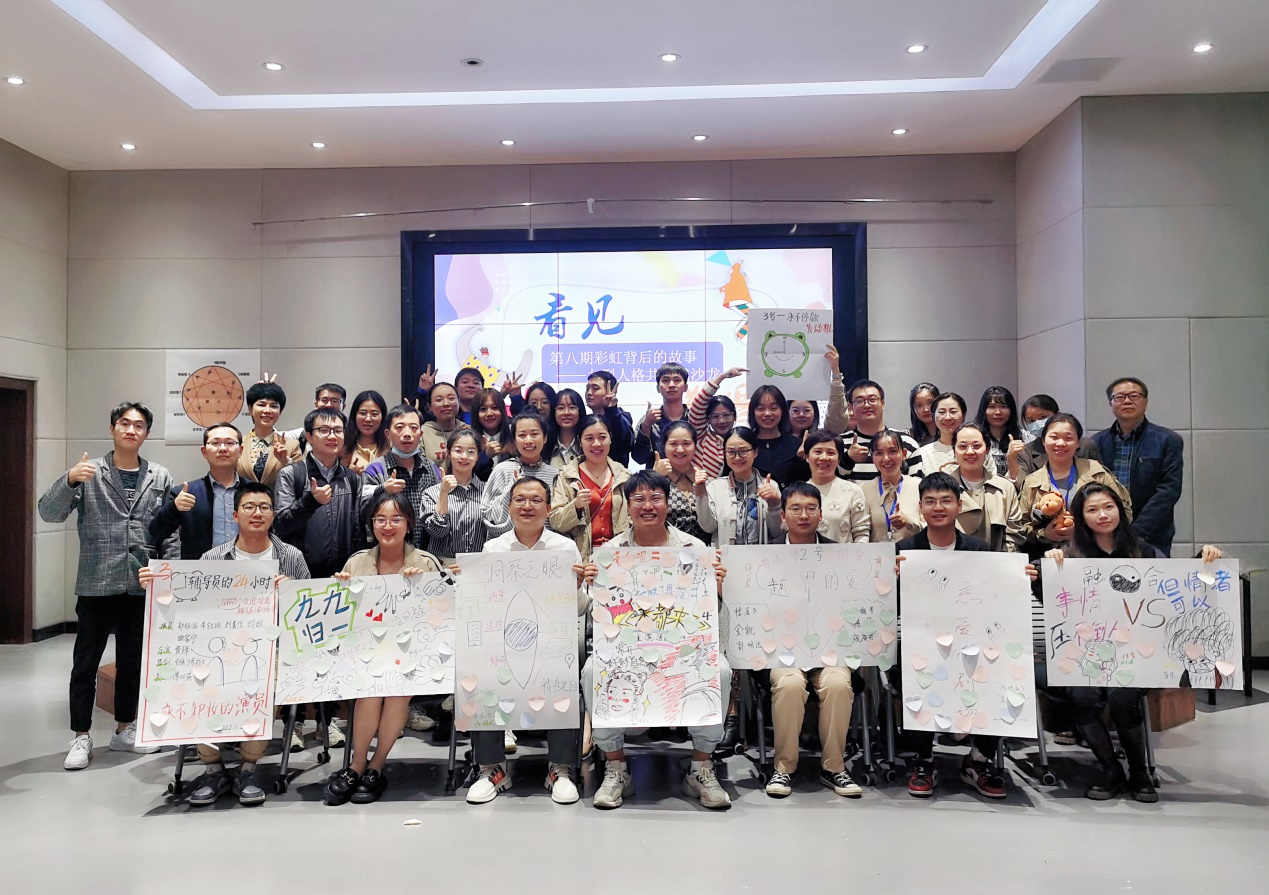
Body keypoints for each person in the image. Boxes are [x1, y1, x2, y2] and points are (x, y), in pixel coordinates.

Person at [1045, 482, 1225, 802]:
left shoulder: (1143, 550)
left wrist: (1204, 559)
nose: (1102, 515)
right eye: (1092, 510)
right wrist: (1045, 569)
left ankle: (1139, 773)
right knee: (1081, 696)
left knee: (1123, 696)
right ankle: (1111, 770)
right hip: (1088, 653)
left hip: (1138, 652)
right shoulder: (1070, 555)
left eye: (1108, 507)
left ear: (1120, 510)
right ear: (1081, 517)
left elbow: (1176, 586)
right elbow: (1051, 602)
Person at [140, 481, 310, 807]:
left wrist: (292, 593)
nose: (257, 513)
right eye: (249, 507)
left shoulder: (291, 557)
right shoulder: (214, 558)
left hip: (272, 648)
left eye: (264, 507)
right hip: (217, 645)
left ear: (274, 514)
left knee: (266, 676)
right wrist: (155, 584)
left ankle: (248, 767)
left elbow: (307, 616)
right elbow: (191, 603)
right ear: (235, 515)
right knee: (198, 676)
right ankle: (212, 768)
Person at [584, 470, 733, 810]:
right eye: (639, 499)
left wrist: (719, 584)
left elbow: (709, 612)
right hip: (626, 650)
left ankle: (700, 767)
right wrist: (591, 583)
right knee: (593, 671)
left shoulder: (694, 549)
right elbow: (600, 613)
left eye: (655, 498)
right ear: (628, 506)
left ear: (667, 503)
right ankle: (617, 768)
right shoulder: (610, 552)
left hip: (683, 650)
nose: (647, 506)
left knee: (720, 671)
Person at [39, 402, 174, 770]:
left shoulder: (159, 475)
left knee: (132, 663)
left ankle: (124, 729)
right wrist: (69, 479)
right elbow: (48, 512)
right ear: (112, 428)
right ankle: (81, 735)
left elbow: (167, 528)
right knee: (85, 663)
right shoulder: (90, 472)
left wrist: (166, 574)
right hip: (96, 580)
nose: (131, 430)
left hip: (140, 582)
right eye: (124, 423)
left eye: (139, 425)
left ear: (147, 433)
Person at [895, 472, 1038, 799]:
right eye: (930, 501)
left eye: (946, 500)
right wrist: (892, 581)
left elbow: (997, 600)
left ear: (959, 505)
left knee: (1003, 670)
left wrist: (1020, 579)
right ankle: (924, 759)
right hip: (922, 644)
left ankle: (979, 759)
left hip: (971, 643)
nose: (938, 507)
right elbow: (888, 608)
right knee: (910, 668)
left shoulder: (980, 550)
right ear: (920, 507)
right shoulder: (904, 551)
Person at [462, 477, 588, 805]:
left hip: (552, 641)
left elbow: (579, 609)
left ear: (548, 508)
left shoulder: (564, 548)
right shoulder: (493, 549)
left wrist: (576, 586)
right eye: (520, 500)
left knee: (561, 669)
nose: (527, 506)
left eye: (535, 500)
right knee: (481, 673)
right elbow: (484, 605)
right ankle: (492, 768)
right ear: (509, 506)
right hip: (502, 641)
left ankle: (559, 768)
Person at [322, 489, 446, 805]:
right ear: (371, 524)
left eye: (396, 519)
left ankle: (376, 765)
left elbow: (441, 616)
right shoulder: (357, 562)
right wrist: (340, 590)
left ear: (409, 524)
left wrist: (422, 587)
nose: (387, 526)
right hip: (366, 654)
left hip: (413, 656)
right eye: (380, 519)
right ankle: (356, 765)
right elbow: (341, 618)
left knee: (396, 689)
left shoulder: (426, 562)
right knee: (370, 687)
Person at [273, 406, 367, 749]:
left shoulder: (352, 479)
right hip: (299, 580)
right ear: (309, 436)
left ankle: (327, 722)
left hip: (338, 579)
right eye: (324, 430)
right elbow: (280, 524)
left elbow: (357, 529)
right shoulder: (292, 474)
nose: (332, 436)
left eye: (337, 430)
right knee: (297, 655)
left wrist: (355, 569)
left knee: (333, 654)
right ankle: (294, 724)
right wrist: (310, 502)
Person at [764, 482, 862, 798]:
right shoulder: (764, 556)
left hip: (830, 650)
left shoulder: (841, 556)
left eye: (810, 509)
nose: (803, 515)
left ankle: (834, 767)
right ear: (783, 515)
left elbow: (856, 604)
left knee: (838, 685)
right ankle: (783, 768)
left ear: (821, 514)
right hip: (782, 652)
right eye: (795, 508)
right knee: (790, 685)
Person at [1091, 377, 1184, 556]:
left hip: (1152, 535)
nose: (1127, 401)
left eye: (1134, 396)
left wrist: (1136, 532)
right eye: (1119, 397)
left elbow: (1169, 490)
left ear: (1146, 402)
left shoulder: (1168, 440)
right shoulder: (1096, 442)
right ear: (1110, 404)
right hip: (1104, 534)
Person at [1018, 414, 1131, 557]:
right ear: (1043, 441)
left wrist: (1083, 531)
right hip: (1048, 558)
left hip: (1093, 556)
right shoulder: (1031, 482)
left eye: (1068, 438)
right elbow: (1021, 526)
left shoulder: (1096, 472)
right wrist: (1045, 534)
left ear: (1078, 443)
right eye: (1054, 437)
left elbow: (1124, 512)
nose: (1061, 443)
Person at [148, 423, 244, 559]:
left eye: (229, 443)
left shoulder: (255, 492)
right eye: (215, 443)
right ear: (204, 452)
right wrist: (174, 507)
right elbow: (156, 533)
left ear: (240, 450)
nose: (223, 448)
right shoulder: (186, 493)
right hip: (200, 570)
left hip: (246, 568)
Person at [549, 414, 631, 559]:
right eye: (589, 438)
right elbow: (556, 522)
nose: (596, 444)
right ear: (580, 442)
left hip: (619, 557)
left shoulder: (624, 476)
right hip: (580, 558)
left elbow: (635, 519)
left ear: (610, 438)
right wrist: (575, 506)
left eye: (602, 437)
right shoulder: (566, 476)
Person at [363, 403, 443, 552]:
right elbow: (363, 514)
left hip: (427, 553)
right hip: (387, 553)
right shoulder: (375, 469)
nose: (407, 433)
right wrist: (383, 490)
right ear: (388, 434)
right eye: (399, 427)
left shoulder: (432, 468)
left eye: (413, 428)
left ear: (420, 434)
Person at [697, 426, 783, 546]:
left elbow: (777, 532)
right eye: (731, 452)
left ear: (755, 452)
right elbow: (708, 527)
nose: (737, 457)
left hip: (761, 556)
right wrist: (700, 492)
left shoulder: (770, 486)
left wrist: (774, 505)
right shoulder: (715, 487)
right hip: (726, 556)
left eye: (743, 451)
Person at [947, 423, 1023, 552]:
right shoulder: (943, 487)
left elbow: (1014, 534)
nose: (970, 452)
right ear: (954, 450)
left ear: (987, 449)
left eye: (976, 446)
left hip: (997, 561)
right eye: (963, 446)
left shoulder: (1005, 487)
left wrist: (1001, 559)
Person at [481, 411, 560, 537]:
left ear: (545, 438)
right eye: (522, 435)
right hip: (506, 544)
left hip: (545, 545)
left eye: (534, 434)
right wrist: (512, 487)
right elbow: (488, 515)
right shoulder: (502, 470)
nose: (528, 440)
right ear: (514, 440)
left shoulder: (555, 474)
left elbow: (557, 520)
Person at [421, 427, 489, 565]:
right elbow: (437, 532)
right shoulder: (431, 493)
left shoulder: (487, 491)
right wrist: (443, 493)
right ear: (448, 453)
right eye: (458, 450)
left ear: (478, 456)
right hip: (443, 567)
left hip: (479, 565)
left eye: (471, 451)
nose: (464, 456)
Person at [839, 380, 921, 481]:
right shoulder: (840, 443)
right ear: (851, 407)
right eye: (859, 401)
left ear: (882, 403)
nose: (867, 405)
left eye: (872, 399)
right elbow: (829, 483)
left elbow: (917, 485)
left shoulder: (906, 442)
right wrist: (847, 459)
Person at [802, 429, 869, 543]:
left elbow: (861, 533)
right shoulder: (797, 493)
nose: (824, 457)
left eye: (831, 453)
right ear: (807, 457)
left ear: (838, 459)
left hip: (844, 554)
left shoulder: (853, 491)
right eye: (818, 452)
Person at [1017, 394, 1102, 479]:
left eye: (1043, 417)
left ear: (1057, 415)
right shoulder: (1026, 452)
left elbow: (1100, 478)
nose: (1037, 423)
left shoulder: (1086, 446)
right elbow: (1023, 484)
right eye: (1031, 420)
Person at [653, 420, 711, 544]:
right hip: (666, 551)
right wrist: (654, 478)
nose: (680, 449)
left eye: (686, 443)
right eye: (673, 444)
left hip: (703, 551)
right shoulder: (656, 479)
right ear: (663, 446)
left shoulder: (706, 481)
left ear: (695, 445)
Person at [862, 430, 924, 543]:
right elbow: (860, 531)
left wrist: (909, 522)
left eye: (893, 451)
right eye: (879, 453)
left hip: (912, 552)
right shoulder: (864, 489)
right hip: (876, 553)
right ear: (872, 458)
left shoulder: (919, 486)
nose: (886, 458)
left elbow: (931, 528)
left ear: (904, 454)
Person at [239, 380, 300, 488]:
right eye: (261, 405)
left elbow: (300, 481)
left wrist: (286, 462)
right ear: (250, 409)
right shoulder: (238, 444)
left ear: (280, 412)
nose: (267, 410)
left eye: (273, 406)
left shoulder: (292, 445)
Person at [687, 365, 745, 478]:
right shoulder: (701, 436)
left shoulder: (742, 440)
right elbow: (698, 405)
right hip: (701, 487)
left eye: (726, 415)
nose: (721, 421)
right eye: (715, 416)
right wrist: (722, 377)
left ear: (734, 416)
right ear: (708, 419)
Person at [633, 362, 691, 466]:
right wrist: (646, 425)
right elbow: (639, 458)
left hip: (691, 475)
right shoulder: (649, 420)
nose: (671, 385)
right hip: (657, 476)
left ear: (685, 387)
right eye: (665, 380)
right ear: (658, 388)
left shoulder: (695, 418)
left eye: (677, 380)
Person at [748, 384, 802, 486]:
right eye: (761, 408)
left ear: (782, 411)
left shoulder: (796, 445)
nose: (767, 413)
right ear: (753, 412)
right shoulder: (745, 443)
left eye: (773, 408)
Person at [974, 386, 1030, 483]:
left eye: (1004, 406)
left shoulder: (1026, 438)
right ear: (984, 410)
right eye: (992, 407)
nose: (998, 412)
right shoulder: (975, 437)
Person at [584, 370, 635, 467]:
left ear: (610, 391)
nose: (589, 393)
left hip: (617, 474)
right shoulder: (585, 420)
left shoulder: (621, 417)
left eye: (595, 388)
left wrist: (612, 410)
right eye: (587, 388)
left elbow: (625, 442)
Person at [912, 391, 967, 476]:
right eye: (942, 412)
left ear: (963, 415)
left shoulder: (976, 449)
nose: (947, 417)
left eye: (953, 412)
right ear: (933, 416)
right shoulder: (922, 453)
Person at [283, 383, 348, 449]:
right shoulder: (302, 435)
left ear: (344, 406)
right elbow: (278, 436)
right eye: (324, 400)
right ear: (316, 404)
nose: (329, 405)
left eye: (335, 401)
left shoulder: (352, 436)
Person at [343, 390, 390, 473]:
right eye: (363, 413)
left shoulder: (391, 447)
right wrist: (350, 474)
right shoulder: (342, 447)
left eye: (374, 414)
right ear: (355, 415)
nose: (368, 419)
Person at [420, 382, 461, 466]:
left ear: (459, 402)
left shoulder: (468, 430)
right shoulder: (422, 433)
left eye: (451, 398)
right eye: (439, 400)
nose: (446, 403)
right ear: (429, 406)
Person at [547, 388, 585, 469]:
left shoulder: (587, 444)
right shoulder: (545, 444)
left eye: (572, 407)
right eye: (560, 408)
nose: (566, 412)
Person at [474, 387, 512, 468]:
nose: (489, 414)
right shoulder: (469, 439)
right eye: (483, 409)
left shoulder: (514, 437)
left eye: (494, 407)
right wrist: (485, 456)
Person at [908, 382, 940, 446]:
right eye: (919, 405)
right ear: (913, 409)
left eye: (930, 402)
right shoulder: (908, 437)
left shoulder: (953, 433)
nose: (926, 409)